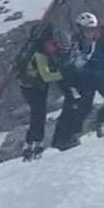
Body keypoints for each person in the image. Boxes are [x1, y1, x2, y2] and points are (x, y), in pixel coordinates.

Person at [50, 12, 101, 150]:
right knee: (73, 105)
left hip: (76, 77)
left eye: (92, 29)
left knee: (77, 105)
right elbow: (70, 62)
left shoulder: (88, 43)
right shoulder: (73, 42)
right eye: (87, 30)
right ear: (80, 29)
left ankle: (63, 138)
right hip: (67, 77)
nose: (90, 32)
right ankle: (65, 139)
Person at [17, 22, 66, 161]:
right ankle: (35, 142)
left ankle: (31, 143)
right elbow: (46, 75)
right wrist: (62, 74)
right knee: (38, 114)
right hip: (33, 87)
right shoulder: (39, 54)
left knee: (38, 114)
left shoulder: (39, 50)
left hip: (33, 86)